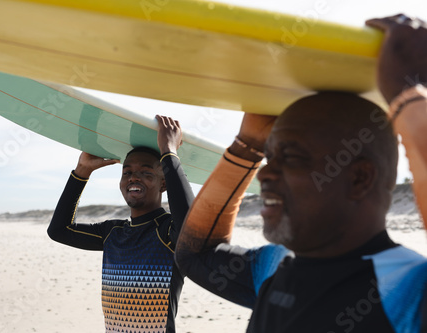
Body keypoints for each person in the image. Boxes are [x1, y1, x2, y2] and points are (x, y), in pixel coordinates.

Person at [174, 14, 427, 333]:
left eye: (291, 157)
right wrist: (246, 148)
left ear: (360, 178)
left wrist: (407, 99)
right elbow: (195, 253)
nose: (265, 175)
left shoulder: (409, 288)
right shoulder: (274, 265)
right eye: (269, 157)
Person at [48, 115, 194, 333]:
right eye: (127, 172)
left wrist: (169, 153)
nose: (133, 177)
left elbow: (190, 225)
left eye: (146, 172)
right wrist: (82, 172)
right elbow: (59, 231)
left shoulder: (168, 232)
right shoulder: (112, 233)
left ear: (163, 183)